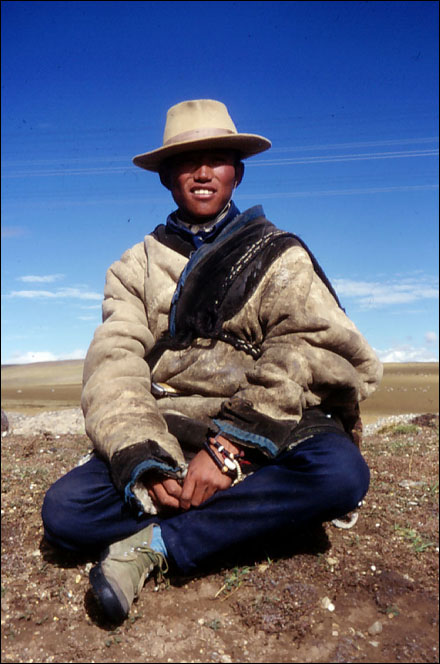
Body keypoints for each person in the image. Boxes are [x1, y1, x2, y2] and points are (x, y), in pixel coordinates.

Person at [42, 99, 383, 623]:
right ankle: (254, 513)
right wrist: (145, 459)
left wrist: (232, 449)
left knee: (340, 476)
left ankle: (155, 543)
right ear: (165, 178)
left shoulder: (279, 253)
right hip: (174, 427)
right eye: (187, 160)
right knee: (66, 515)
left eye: (217, 158)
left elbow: (307, 344)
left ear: (237, 172)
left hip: (265, 422)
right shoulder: (135, 266)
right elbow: (115, 360)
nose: (202, 172)